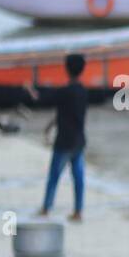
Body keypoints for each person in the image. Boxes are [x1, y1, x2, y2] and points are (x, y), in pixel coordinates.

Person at [35, 53, 89, 221]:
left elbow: (52, 106)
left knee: (54, 176)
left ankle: (46, 208)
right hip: (79, 140)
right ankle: (78, 211)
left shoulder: (64, 92)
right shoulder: (83, 92)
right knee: (78, 178)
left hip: (64, 140)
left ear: (66, 69)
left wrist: (31, 91)